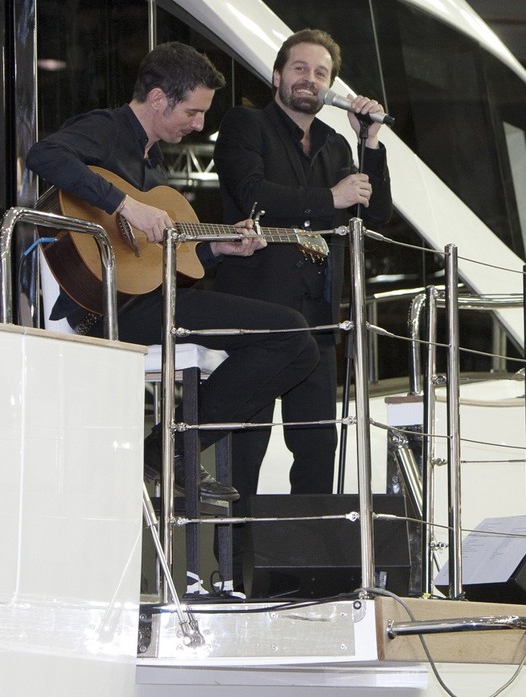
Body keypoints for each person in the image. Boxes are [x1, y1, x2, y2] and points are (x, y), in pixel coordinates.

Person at [26, 42, 321, 503]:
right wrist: (126, 205)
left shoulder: (151, 161)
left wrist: (219, 249)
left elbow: (156, 265)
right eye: (193, 111)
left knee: (297, 343)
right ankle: (168, 451)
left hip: (143, 299)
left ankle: (168, 450)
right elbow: (43, 155)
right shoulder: (106, 130)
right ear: (159, 98)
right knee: (289, 335)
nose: (200, 124)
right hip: (102, 308)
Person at [212, 28, 393, 532]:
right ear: (277, 75)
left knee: (317, 443)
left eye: (320, 73)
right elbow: (251, 194)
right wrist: (326, 201)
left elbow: (373, 214)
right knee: (246, 443)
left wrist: (370, 142)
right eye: (299, 69)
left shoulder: (337, 144)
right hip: (258, 309)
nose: (309, 80)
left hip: (315, 316)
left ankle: (306, 563)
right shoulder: (245, 125)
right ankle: (230, 566)